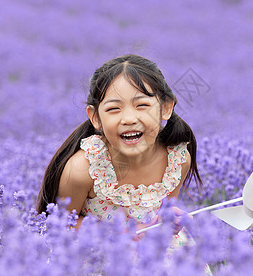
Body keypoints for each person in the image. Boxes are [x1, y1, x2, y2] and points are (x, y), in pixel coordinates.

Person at [36, 54, 202, 234]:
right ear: (95, 117)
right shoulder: (83, 169)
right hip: (99, 253)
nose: (129, 119)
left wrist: (169, 221)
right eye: (114, 109)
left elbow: (163, 215)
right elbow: (62, 225)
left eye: (142, 105)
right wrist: (122, 235)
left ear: (166, 108)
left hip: (156, 250)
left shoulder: (177, 161)